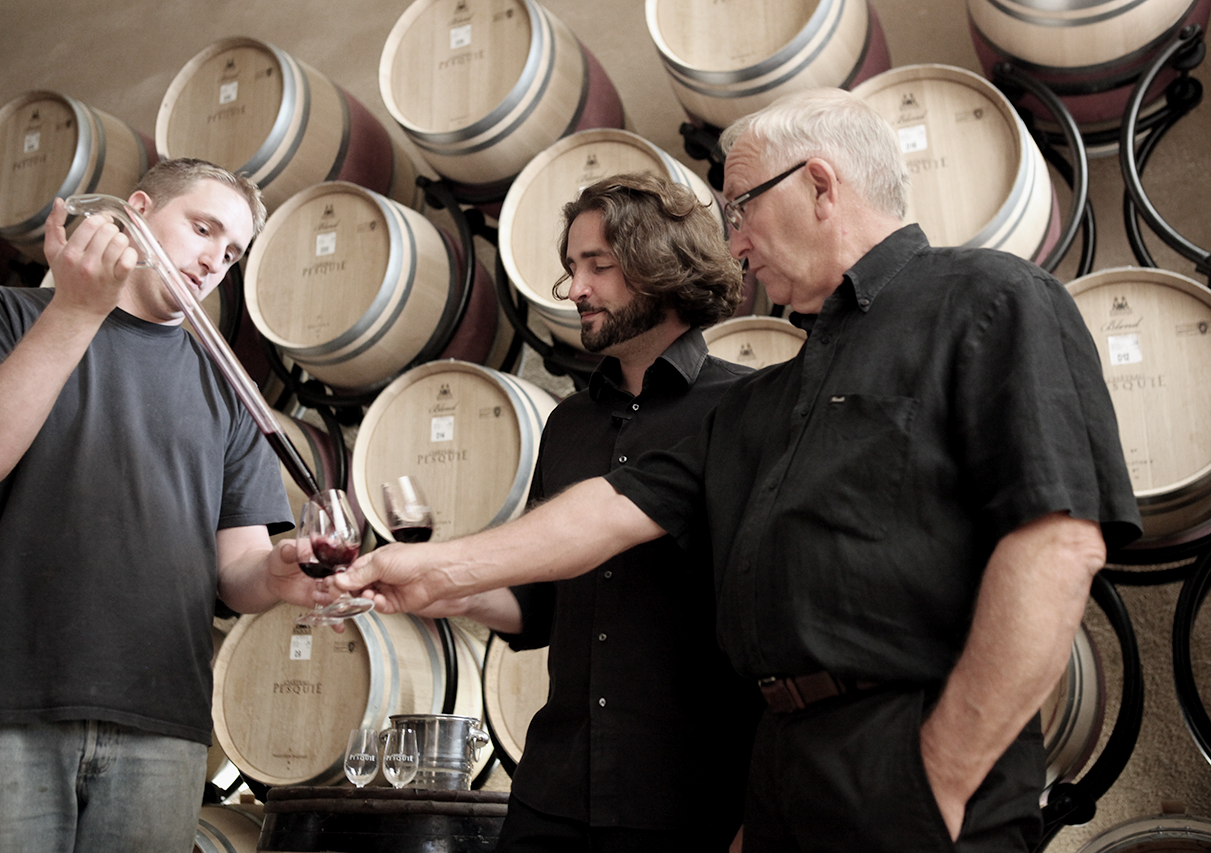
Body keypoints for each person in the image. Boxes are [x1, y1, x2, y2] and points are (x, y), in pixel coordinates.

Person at [343, 88, 1144, 852]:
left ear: (821, 185)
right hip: (784, 771)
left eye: (742, 207)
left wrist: (943, 770)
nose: (734, 242)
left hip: (905, 756)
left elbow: (1056, 547)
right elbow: (610, 509)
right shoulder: (766, 396)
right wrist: (431, 567)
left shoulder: (990, 299)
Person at [0, 158, 324, 853]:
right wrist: (77, 309)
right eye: (202, 228)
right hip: (2, 707)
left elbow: (238, 569)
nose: (212, 261)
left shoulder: (228, 387)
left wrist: (280, 574)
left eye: (230, 252)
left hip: (162, 726)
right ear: (136, 209)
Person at [423, 172, 762, 851]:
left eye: (598, 266)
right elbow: (539, 608)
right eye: (572, 268)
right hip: (554, 790)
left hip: (690, 795)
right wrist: (436, 584)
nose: (575, 288)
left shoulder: (744, 409)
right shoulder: (568, 424)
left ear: (662, 267)